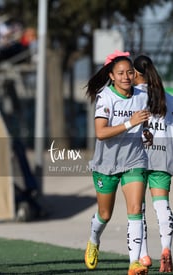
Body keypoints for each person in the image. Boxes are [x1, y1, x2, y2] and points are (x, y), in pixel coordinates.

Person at [84, 50, 152, 275]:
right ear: (111, 76)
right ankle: (94, 239)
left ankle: (134, 263)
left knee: (136, 210)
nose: (126, 77)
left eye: (129, 72)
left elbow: (142, 125)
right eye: (120, 73)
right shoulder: (106, 96)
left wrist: (146, 133)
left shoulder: (142, 95)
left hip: (134, 160)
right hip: (107, 164)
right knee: (105, 214)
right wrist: (129, 123)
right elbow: (101, 133)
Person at [133, 55, 173, 273]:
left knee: (137, 208)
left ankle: (143, 255)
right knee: (162, 205)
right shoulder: (167, 97)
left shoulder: (134, 97)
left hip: (137, 156)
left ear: (137, 74)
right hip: (163, 155)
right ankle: (166, 249)